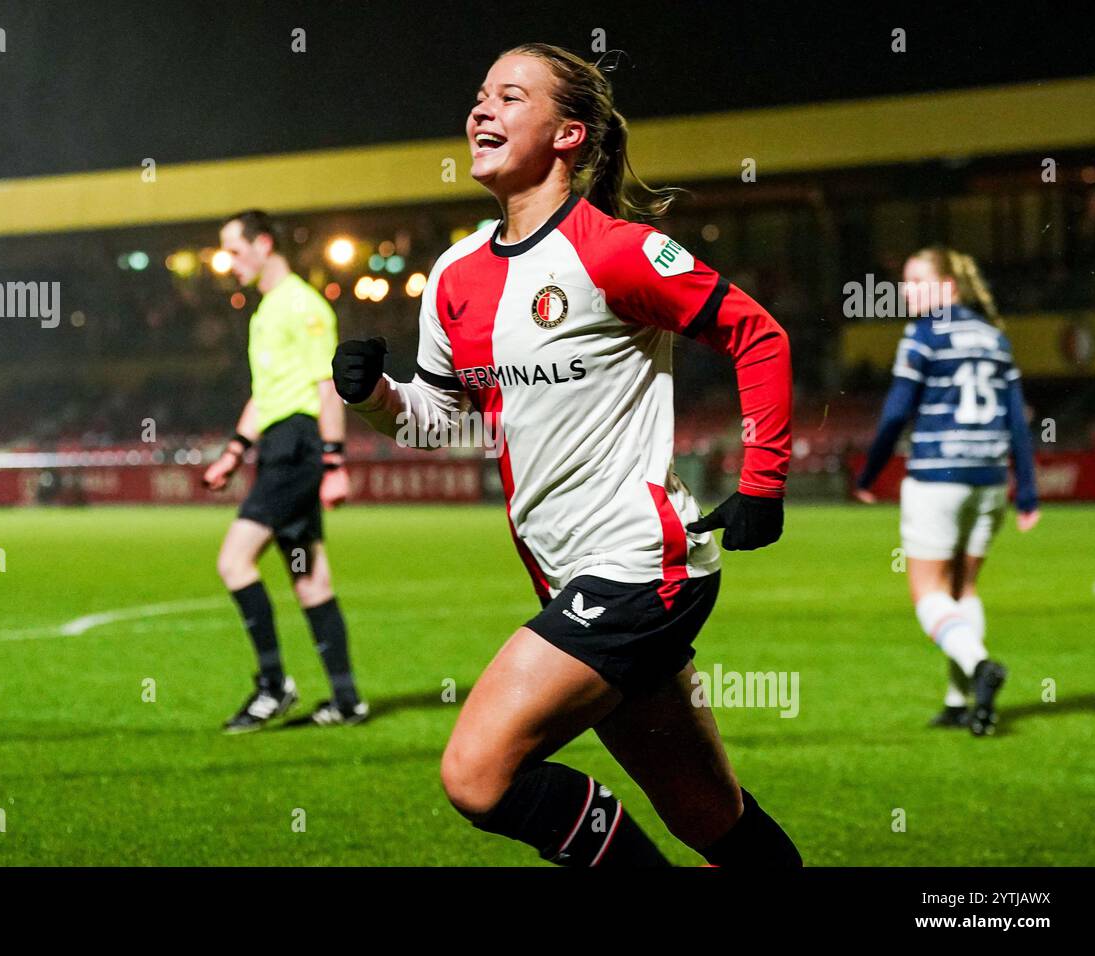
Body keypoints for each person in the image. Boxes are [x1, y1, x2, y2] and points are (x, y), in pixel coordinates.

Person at [332, 44, 799, 866]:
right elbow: (444, 420)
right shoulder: (454, 275)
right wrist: (376, 396)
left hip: (640, 569)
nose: (481, 110)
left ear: (568, 135)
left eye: (510, 97)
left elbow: (756, 333)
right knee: (708, 817)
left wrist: (762, 482)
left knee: (478, 774)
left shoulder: (614, 250)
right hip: (568, 576)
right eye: (479, 95)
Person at [855, 247, 1038, 736]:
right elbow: (1017, 422)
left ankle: (980, 667)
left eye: (916, 281)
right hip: (990, 480)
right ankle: (963, 702)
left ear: (947, 286)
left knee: (929, 594)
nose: (906, 291)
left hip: (938, 478)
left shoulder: (924, 334)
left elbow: (895, 414)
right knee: (964, 589)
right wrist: (1028, 494)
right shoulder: (995, 338)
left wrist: (868, 474)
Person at [204, 209, 368, 732]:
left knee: (234, 562)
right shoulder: (265, 311)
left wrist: (334, 461)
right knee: (309, 577)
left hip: (298, 447)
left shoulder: (302, 305)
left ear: (263, 244)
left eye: (233, 249)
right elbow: (265, 394)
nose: (227, 262)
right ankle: (346, 701)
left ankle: (274, 687)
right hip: (277, 444)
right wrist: (233, 451)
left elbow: (327, 385)